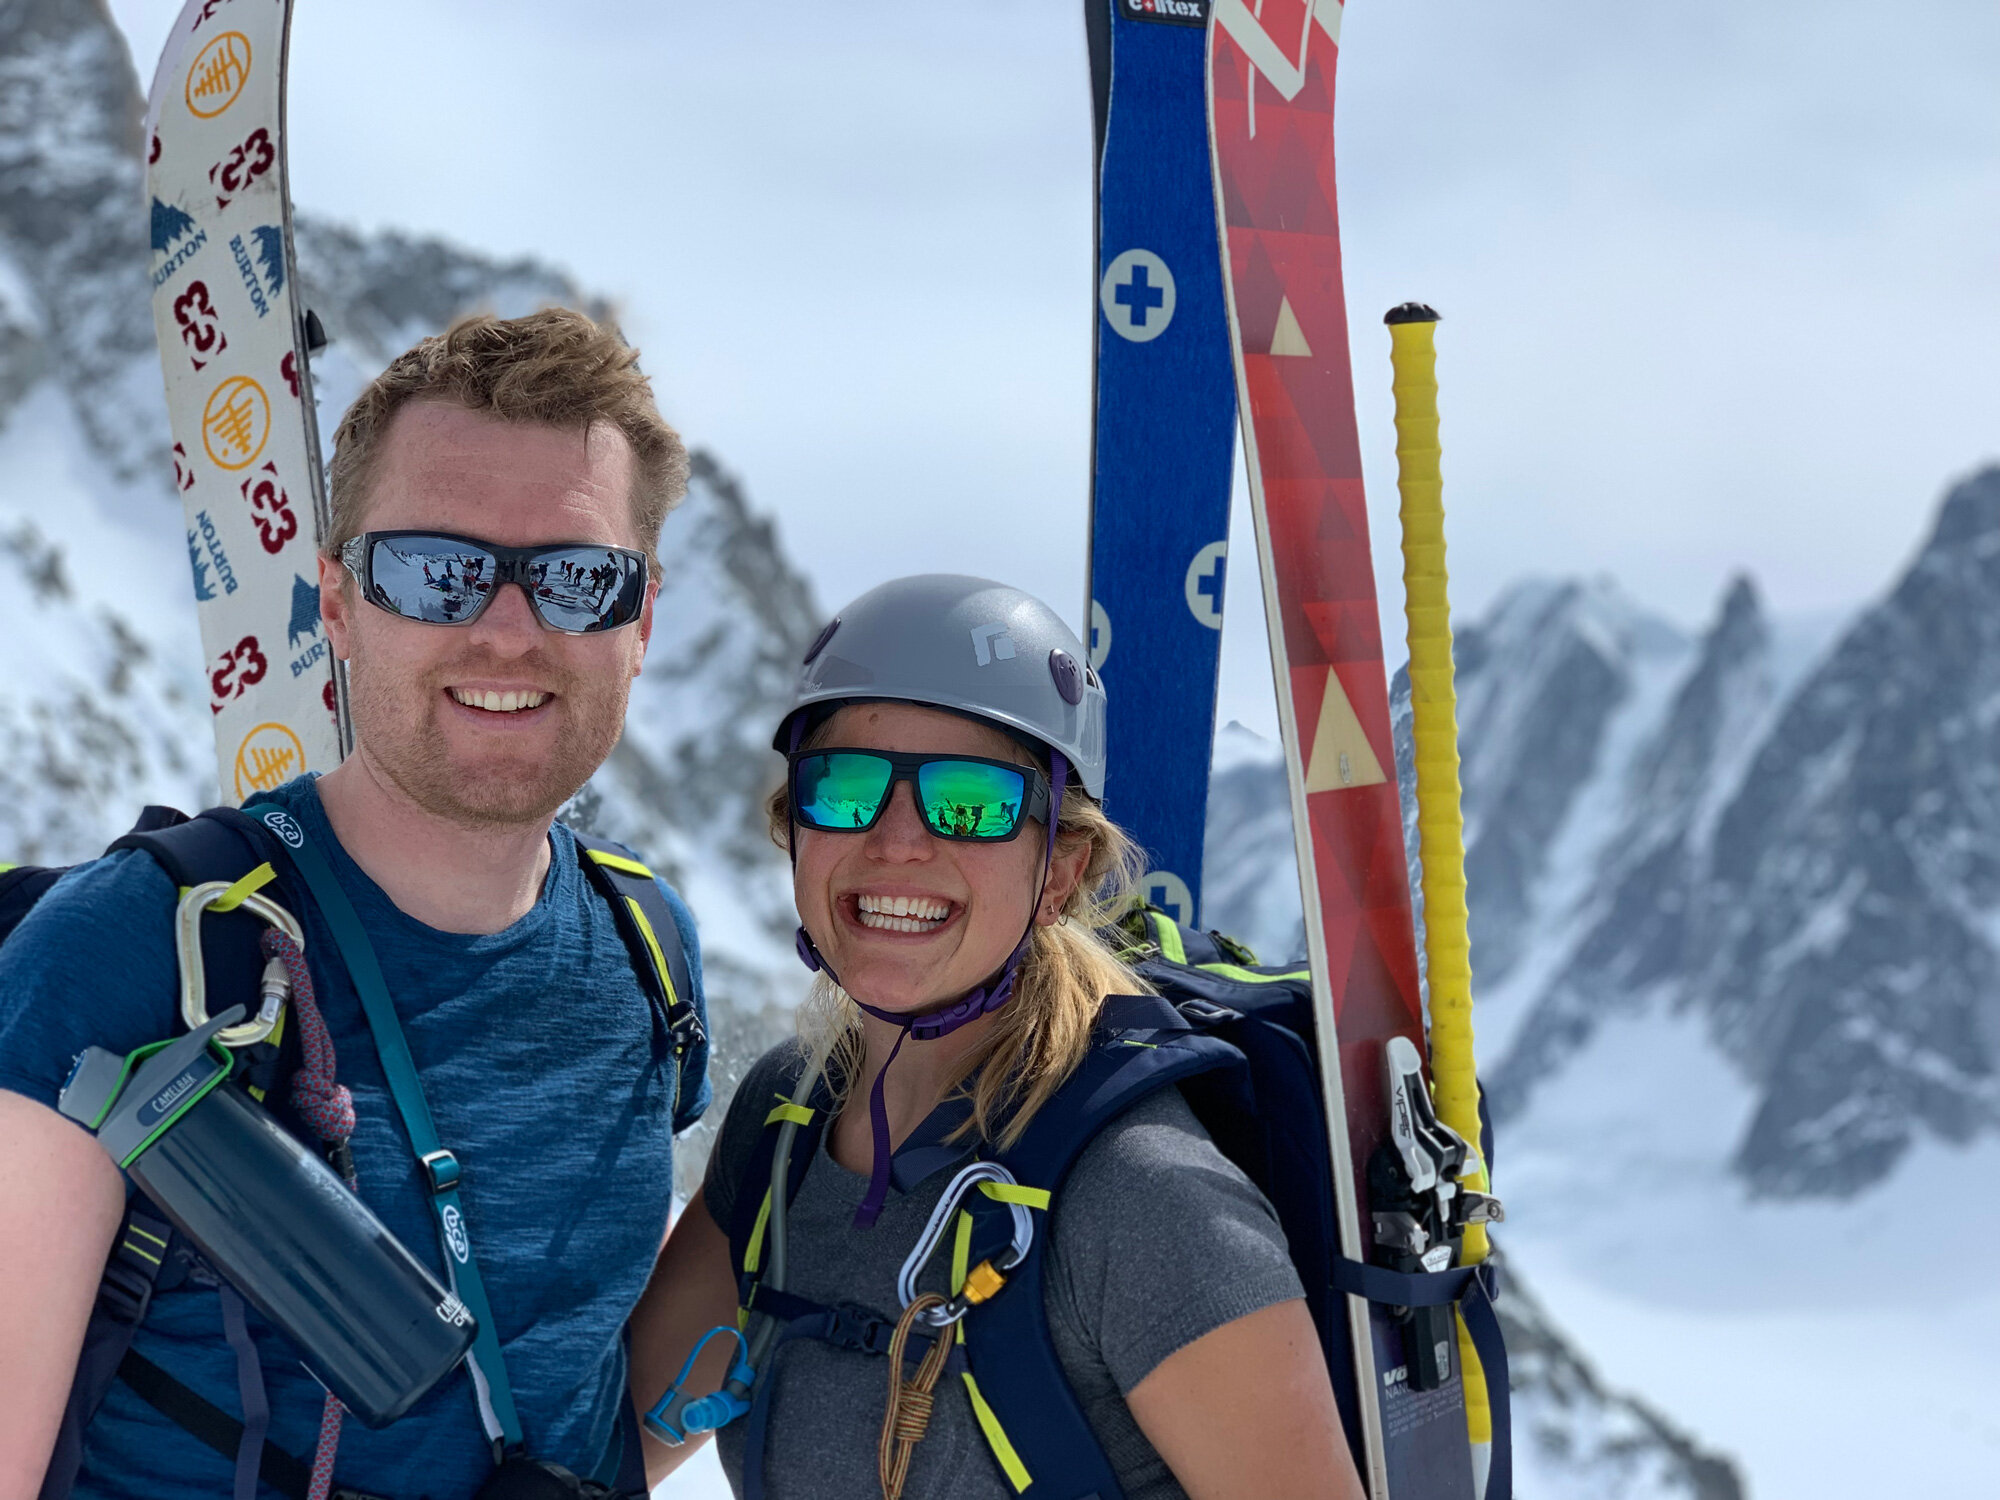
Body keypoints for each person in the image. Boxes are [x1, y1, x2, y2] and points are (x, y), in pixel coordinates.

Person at [0, 309, 711, 1499]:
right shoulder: (131, 955)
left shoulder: (649, 953)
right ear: (336, 603)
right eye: (437, 571)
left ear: (639, 625)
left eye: (577, 581)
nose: (504, 628)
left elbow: (595, 1373)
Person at [628, 575, 1361, 1500]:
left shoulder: (1143, 1202)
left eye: (967, 802)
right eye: (846, 788)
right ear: (796, 831)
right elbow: (615, 1449)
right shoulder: (785, 1123)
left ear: (1061, 866)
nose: (895, 842)